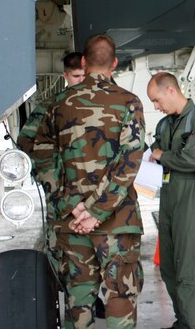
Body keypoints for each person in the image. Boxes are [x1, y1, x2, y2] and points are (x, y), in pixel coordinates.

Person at [33, 34, 145, 329]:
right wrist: (96, 211)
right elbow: (129, 160)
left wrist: (73, 207)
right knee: (120, 295)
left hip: (71, 223)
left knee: (78, 299)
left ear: (83, 61)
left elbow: (43, 156)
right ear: (115, 64)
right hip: (118, 221)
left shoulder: (59, 102)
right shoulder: (129, 102)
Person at [147, 72, 195, 329]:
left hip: (189, 197)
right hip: (168, 197)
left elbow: (193, 160)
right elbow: (154, 154)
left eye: (156, 100)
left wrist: (161, 155)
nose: (155, 106)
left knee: (190, 270)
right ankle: (183, 321)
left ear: (171, 91)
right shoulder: (165, 125)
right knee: (169, 267)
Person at [17, 51, 85, 155]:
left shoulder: (103, 102)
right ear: (65, 76)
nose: (81, 80)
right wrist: (49, 169)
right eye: (76, 76)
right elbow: (25, 141)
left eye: (84, 76)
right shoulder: (50, 105)